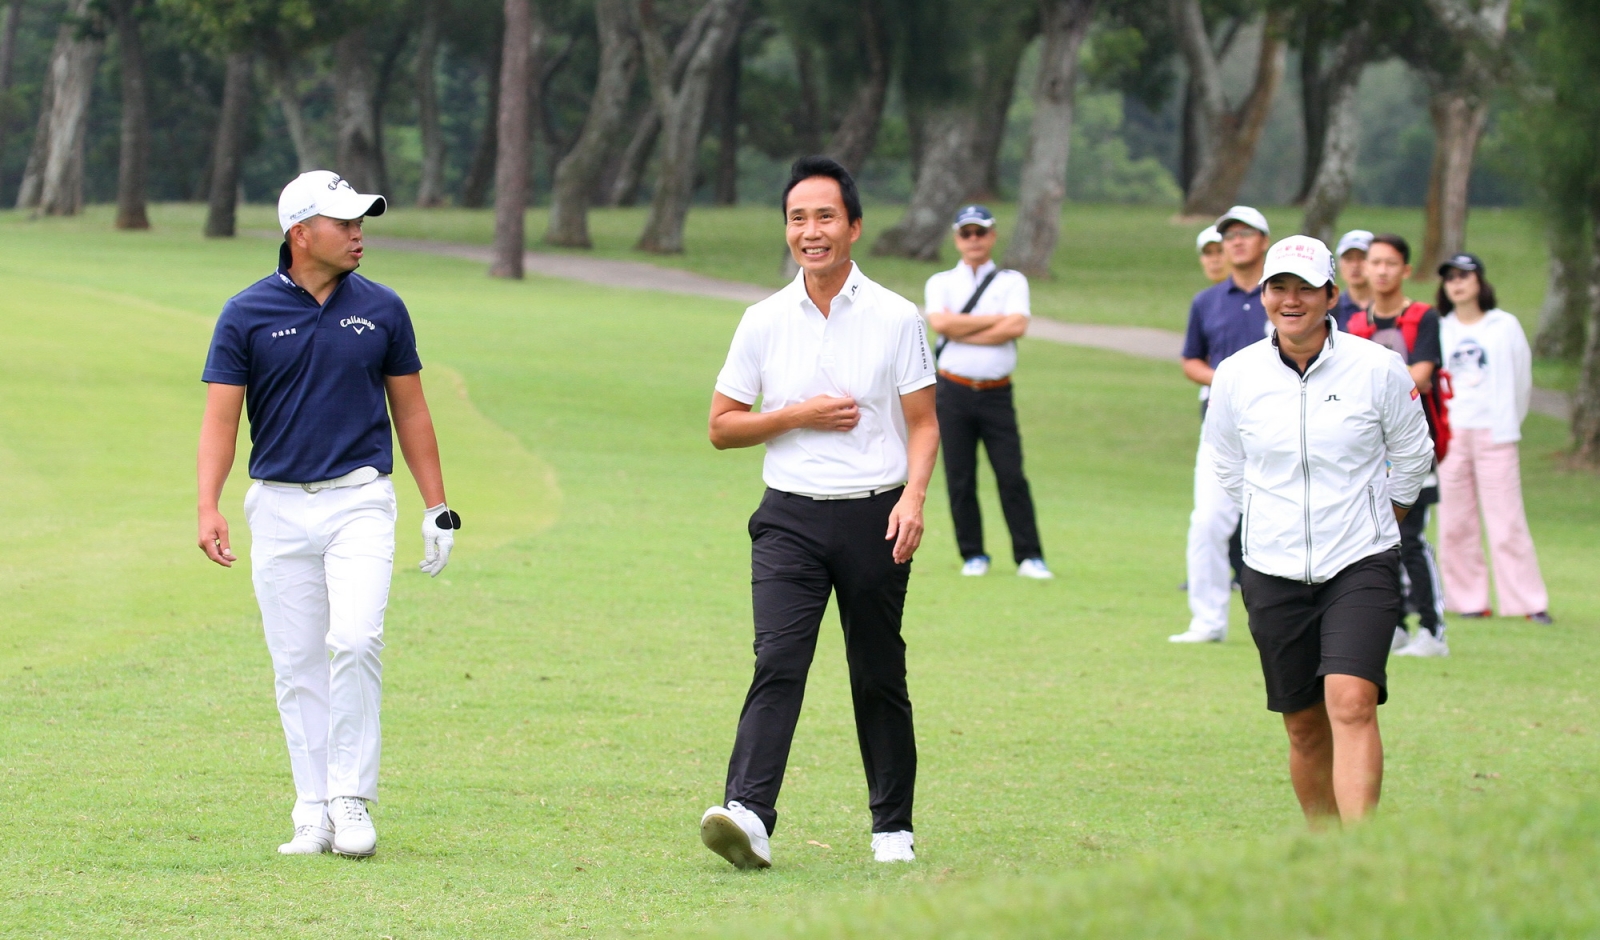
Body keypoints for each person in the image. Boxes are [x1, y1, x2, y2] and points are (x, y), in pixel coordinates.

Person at [197, 171, 459, 858]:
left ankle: (350, 795)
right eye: (343, 223)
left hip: (361, 502)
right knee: (297, 663)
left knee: (355, 640)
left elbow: (412, 410)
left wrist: (438, 507)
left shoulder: (384, 309)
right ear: (300, 232)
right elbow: (220, 422)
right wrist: (208, 505)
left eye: (360, 221)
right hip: (278, 508)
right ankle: (311, 807)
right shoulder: (244, 313)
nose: (357, 232)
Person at [700, 156, 939, 869]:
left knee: (877, 671)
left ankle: (893, 825)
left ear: (854, 227)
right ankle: (748, 813)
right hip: (789, 520)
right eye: (798, 218)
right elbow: (721, 425)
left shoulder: (899, 317)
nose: (811, 231)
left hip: (876, 517)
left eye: (825, 216)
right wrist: (796, 414)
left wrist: (915, 499)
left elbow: (924, 423)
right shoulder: (763, 320)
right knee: (778, 659)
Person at [1207, 235, 1433, 824]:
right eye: (1279, 287)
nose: (1291, 299)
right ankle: (1324, 848)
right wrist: (1266, 514)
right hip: (1272, 565)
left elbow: (1413, 455)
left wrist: (1387, 517)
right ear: (1263, 296)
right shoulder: (1236, 375)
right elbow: (1227, 462)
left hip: (1360, 559)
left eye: (1305, 288)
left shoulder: (1377, 368)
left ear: (1331, 294)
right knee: (1305, 724)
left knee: (1352, 701)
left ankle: (1361, 855)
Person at [924, 205, 1050, 580]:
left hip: (996, 393)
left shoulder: (1012, 281)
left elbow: (1015, 327)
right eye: (967, 233)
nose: (974, 240)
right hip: (953, 391)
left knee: (1011, 474)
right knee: (960, 476)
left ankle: (1029, 555)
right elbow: (940, 322)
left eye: (981, 232)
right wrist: (994, 321)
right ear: (957, 238)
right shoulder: (941, 281)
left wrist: (963, 328)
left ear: (992, 236)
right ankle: (973, 553)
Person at [1343, 235, 1448, 655]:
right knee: (1376, 538)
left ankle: (1432, 628)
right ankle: (1395, 624)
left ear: (1405, 270)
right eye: (1375, 263)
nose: (1382, 271)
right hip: (1370, 449)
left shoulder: (1423, 318)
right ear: (1364, 269)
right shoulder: (1355, 325)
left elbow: (1420, 377)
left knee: (1411, 537)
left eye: (1391, 263)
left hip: (1411, 445)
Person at [1435, 253, 1553, 625]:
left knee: (1507, 520)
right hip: (1453, 434)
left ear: (1479, 282)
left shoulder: (1504, 326)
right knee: (1455, 522)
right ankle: (1467, 599)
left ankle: (1526, 601)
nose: (1457, 283)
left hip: (1494, 432)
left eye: (1464, 276)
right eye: (1450, 277)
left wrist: (1508, 423)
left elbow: (1521, 379)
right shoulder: (1440, 327)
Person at [1171, 206, 1271, 644]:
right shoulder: (1207, 301)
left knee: (1274, 527)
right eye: (1229, 236)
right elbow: (1190, 359)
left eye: (1245, 234)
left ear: (1263, 241)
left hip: (1277, 426)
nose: (1236, 242)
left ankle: (1280, 622)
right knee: (1208, 521)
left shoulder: (1284, 295)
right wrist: (1225, 380)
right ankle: (1208, 620)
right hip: (1222, 426)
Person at [1331, 230, 1374, 330]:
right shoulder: (1330, 310)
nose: (1355, 265)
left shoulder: (1389, 309)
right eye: (1348, 259)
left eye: (1362, 258)